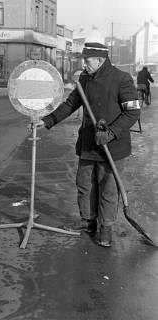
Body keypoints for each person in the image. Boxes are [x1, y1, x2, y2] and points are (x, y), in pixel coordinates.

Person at [32, 42, 140, 247]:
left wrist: (111, 133)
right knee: (85, 184)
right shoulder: (84, 79)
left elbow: (133, 112)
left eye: (87, 60)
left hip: (112, 147)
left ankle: (105, 228)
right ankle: (88, 221)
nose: (84, 64)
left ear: (100, 60)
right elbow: (71, 104)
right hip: (90, 144)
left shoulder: (121, 79)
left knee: (107, 189)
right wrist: (48, 120)